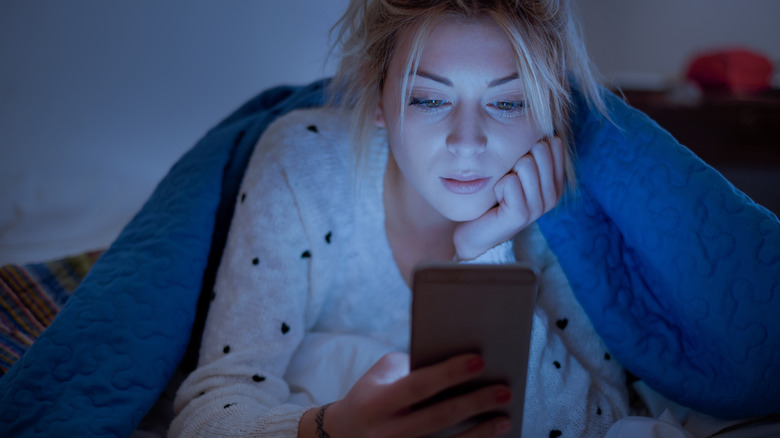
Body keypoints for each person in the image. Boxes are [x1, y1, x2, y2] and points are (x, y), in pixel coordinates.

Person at [169, 0, 630, 436]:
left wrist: (486, 254)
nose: (467, 143)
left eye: (508, 102)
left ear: (549, 111)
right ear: (377, 100)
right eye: (428, 100)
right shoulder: (303, 166)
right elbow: (208, 411)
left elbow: (605, 423)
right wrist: (330, 429)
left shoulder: (561, 210)